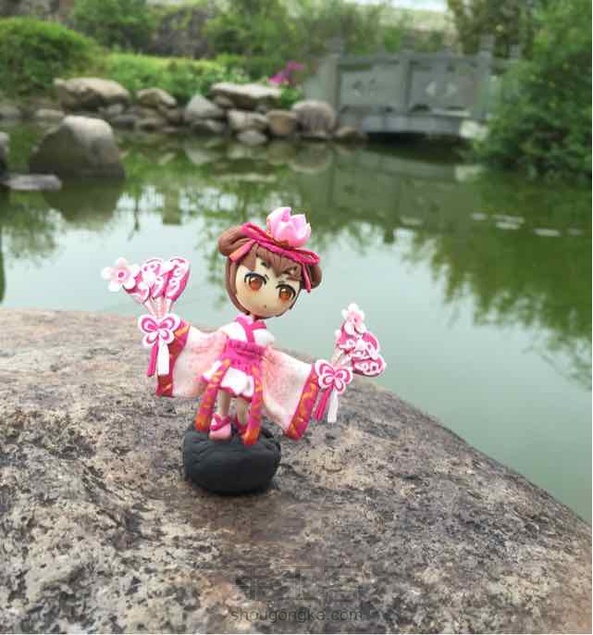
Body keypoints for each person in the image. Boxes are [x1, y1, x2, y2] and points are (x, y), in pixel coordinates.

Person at [194, 207, 322, 445]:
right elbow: (211, 342)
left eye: (285, 293)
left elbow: (272, 358)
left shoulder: (262, 336)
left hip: (250, 373)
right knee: (223, 393)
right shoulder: (235, 328)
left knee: (244, 400)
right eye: (255, 281)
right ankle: (221, 418)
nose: (267, 299)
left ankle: (242, 422)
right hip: (228, 365)